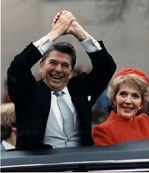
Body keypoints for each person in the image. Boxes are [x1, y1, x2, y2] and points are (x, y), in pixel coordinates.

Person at [7, 10, 116, 150]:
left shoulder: (81, 89)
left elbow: (107, 67)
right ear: (41, 66)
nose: (58, 69)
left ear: (71, 72)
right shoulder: (29, 92)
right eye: (53, 63)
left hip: (80, 166)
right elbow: (18, 67)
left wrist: (78, 32)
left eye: (65, 65)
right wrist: (55, 32)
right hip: (39, 168)